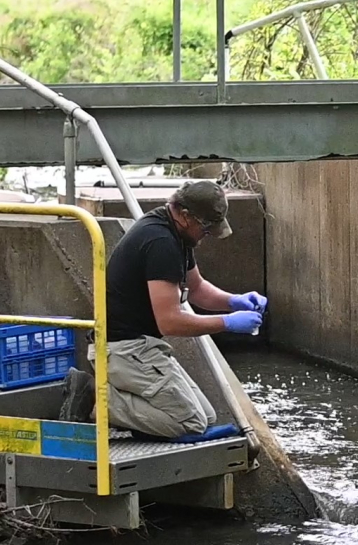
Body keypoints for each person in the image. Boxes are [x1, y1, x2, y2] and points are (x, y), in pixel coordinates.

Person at [58, 180, 266, 437]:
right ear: (186, 215)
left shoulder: (178, 233)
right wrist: (228, 323)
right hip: (123, 350)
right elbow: (170, 322)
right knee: (190, 423)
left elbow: (197, 288)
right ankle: (91, 396)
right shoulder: (160, 242)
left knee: (206, 415)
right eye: (206, 228)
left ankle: (133, 415)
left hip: (141, 347)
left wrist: (234, 300)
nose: (208, 235)